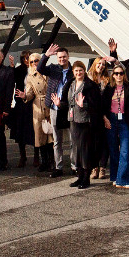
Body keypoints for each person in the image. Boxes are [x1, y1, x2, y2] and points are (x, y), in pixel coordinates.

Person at [55, 60, 98, 189]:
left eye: (81, 70)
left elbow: (96, 104)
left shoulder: (90, 85)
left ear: (84, 71)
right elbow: (67, 103)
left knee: (84, 150)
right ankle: (79, 176)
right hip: (73, 120)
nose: (78, 73)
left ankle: (86, 177)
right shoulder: (70, 84)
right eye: (76, 71)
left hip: (85, 121)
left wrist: (83, 105)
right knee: (75, 149)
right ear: (73, 72)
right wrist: (59, 104)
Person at [38, 44, 74, 176]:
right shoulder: (53, 69)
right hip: (54, 109)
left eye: (64, 57)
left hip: (69, 109)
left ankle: (74, 166)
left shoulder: (73, 70)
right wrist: (46, 55)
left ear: (68, 57)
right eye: (59, 57)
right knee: (57, 141)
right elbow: (39, 68)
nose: (62, 59)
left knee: (72, 140)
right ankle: (58, 167)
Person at [16, 53, 55, 173]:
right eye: (31, 62)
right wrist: (24, 96)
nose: (34, 63)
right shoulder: (30, 77)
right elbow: (30, 93)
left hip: (51, 105)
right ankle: (44, 162)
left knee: (52, 136)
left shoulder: (49, 72)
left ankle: (53, 161)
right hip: (38, 107)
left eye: (36, 61)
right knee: (41, 135)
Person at [102, 64, 129, 189]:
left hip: (125, 121)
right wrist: (105, 118)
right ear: (113, 75)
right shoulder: (109, 88)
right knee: (113, 150)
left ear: (124, 75)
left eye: (121, 73)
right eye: (116, 73)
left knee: (125, 151)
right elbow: (102, 105)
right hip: (111, 120)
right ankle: (114, 177)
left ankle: (122, 180)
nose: (119, 75)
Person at [86, 56, 112, 179]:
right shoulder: (88, 78)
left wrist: (105, 116)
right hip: (92, 115)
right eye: (99, 63)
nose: (101, 66)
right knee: (92, 142)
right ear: (94, 64)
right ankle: (94, 168)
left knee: (104, 142)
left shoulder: (107, 80)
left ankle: (102, 168)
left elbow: (107, 100)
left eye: (103, 64)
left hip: (105, 114)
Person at [10, 50, 36, 168]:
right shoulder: (19, 70)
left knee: (35, 131)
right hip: (21, 104)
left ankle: (36, 157)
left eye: (29, 58)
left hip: (33, 104)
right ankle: (22, 156)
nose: (27, 61)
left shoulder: (36, 69)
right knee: (20, 132)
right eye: (25, 58)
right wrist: (11, 66)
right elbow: (11, 78)